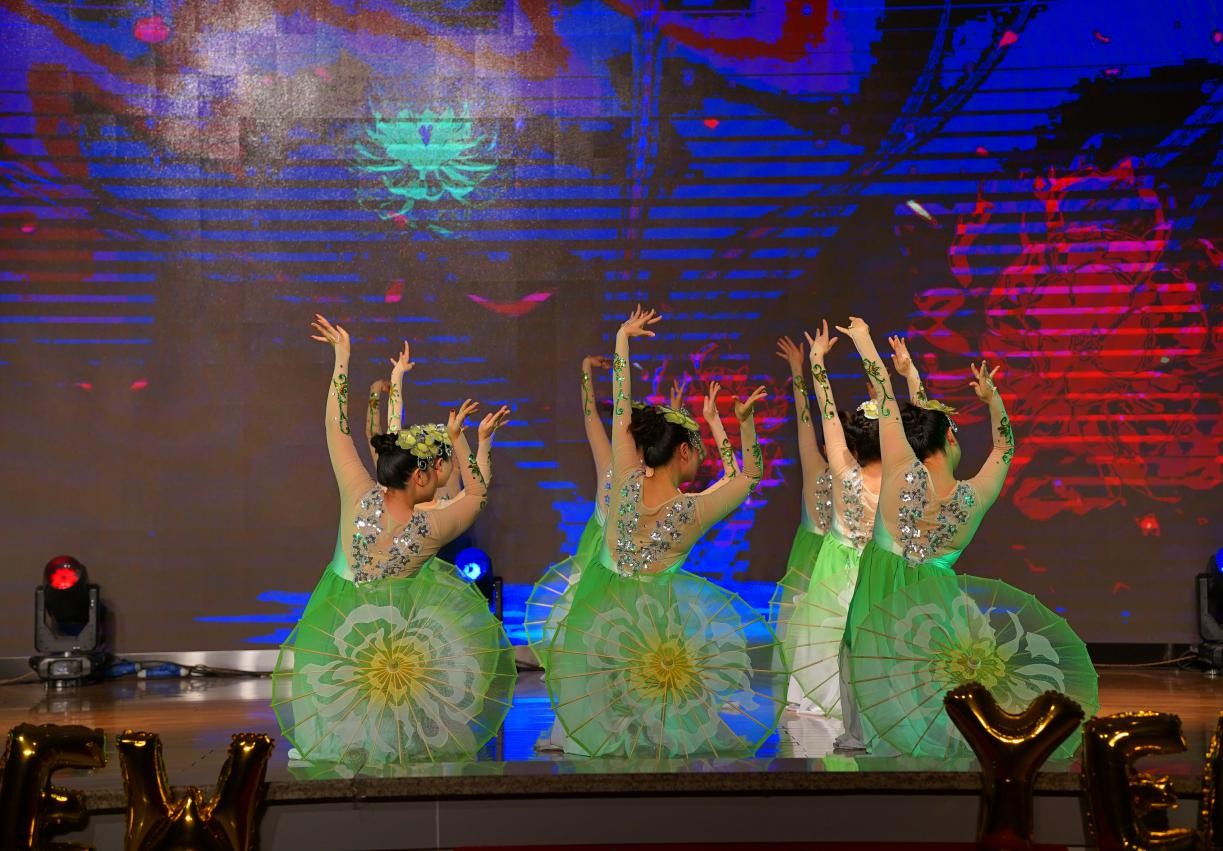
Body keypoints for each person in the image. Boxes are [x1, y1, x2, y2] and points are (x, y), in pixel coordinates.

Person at [271, 315, 515, 769]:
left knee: (350, 710)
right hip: (401, 649)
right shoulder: (431, 528)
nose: (440, 472)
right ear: (420, 476)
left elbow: (335, 428)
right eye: (437, 467)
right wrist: (467, 442)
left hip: (345, 632)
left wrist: (342, 358)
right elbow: (477, 494)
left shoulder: (358, 493)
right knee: (402, 724)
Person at [544, 306, 786, 758]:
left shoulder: (624, 478)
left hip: (600, 610)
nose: (701, 457)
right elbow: (750, 476)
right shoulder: (693, 511)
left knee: (604, 708)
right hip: (655, 619)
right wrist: (742, 423)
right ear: (683, 452)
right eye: (698, 448)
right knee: (655, 713)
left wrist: (623, 337)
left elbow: (620, 407)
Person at [832, 316, 1014, 752]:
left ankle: (863, 736)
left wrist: (865, 339)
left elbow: (884, 395)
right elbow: (1005, 446)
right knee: (927, 670)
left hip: (879, 589)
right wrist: (993, 400)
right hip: (935, 597)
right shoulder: (973, 496)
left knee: (866, 655)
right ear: (951, 437)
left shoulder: (900, 467)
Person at [525, 362, 737, 669]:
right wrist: (585, 372)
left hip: (639, 572)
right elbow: (590, 416)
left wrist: (676, 413)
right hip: (601, 561)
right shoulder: (616, 466)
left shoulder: (649, 479)